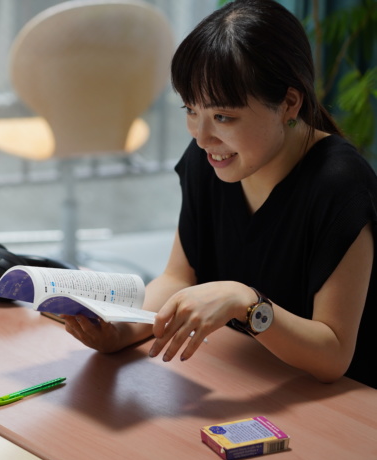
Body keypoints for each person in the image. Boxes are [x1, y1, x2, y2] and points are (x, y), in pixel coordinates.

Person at [63, 0, 377, 389]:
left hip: (342, 404)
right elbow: (178, 278)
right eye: (191, 109)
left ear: (289, 104)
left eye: (223, 117)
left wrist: (245, 301)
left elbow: (333, 354)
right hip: (239, 377)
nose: (201, 135)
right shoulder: (210, 159)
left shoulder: (340, 183)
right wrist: (121, 331)